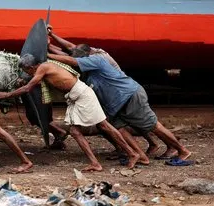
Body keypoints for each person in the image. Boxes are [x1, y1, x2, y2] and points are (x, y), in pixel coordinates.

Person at [0, 54, 140, 172]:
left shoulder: (43, 68)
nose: (28, 74)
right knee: (76, 131)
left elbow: (28, 88)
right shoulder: (46, 67)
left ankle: (131, 153)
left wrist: (6, 95)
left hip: (82, 95)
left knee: (104, 126)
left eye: (27, 72)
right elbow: (50, 81)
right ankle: (96, 163)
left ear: (31, 67)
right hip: (76, 96)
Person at [50, 49, 193, 165]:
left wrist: (46, 56)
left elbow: (72, 60)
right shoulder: (87, 72)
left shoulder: (97, 59)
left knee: (153, 125)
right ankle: (140, 156)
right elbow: (68, 57)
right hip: (115, 104)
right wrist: (48, 44)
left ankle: (182, 150)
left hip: (129, 95)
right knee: (118, 128)